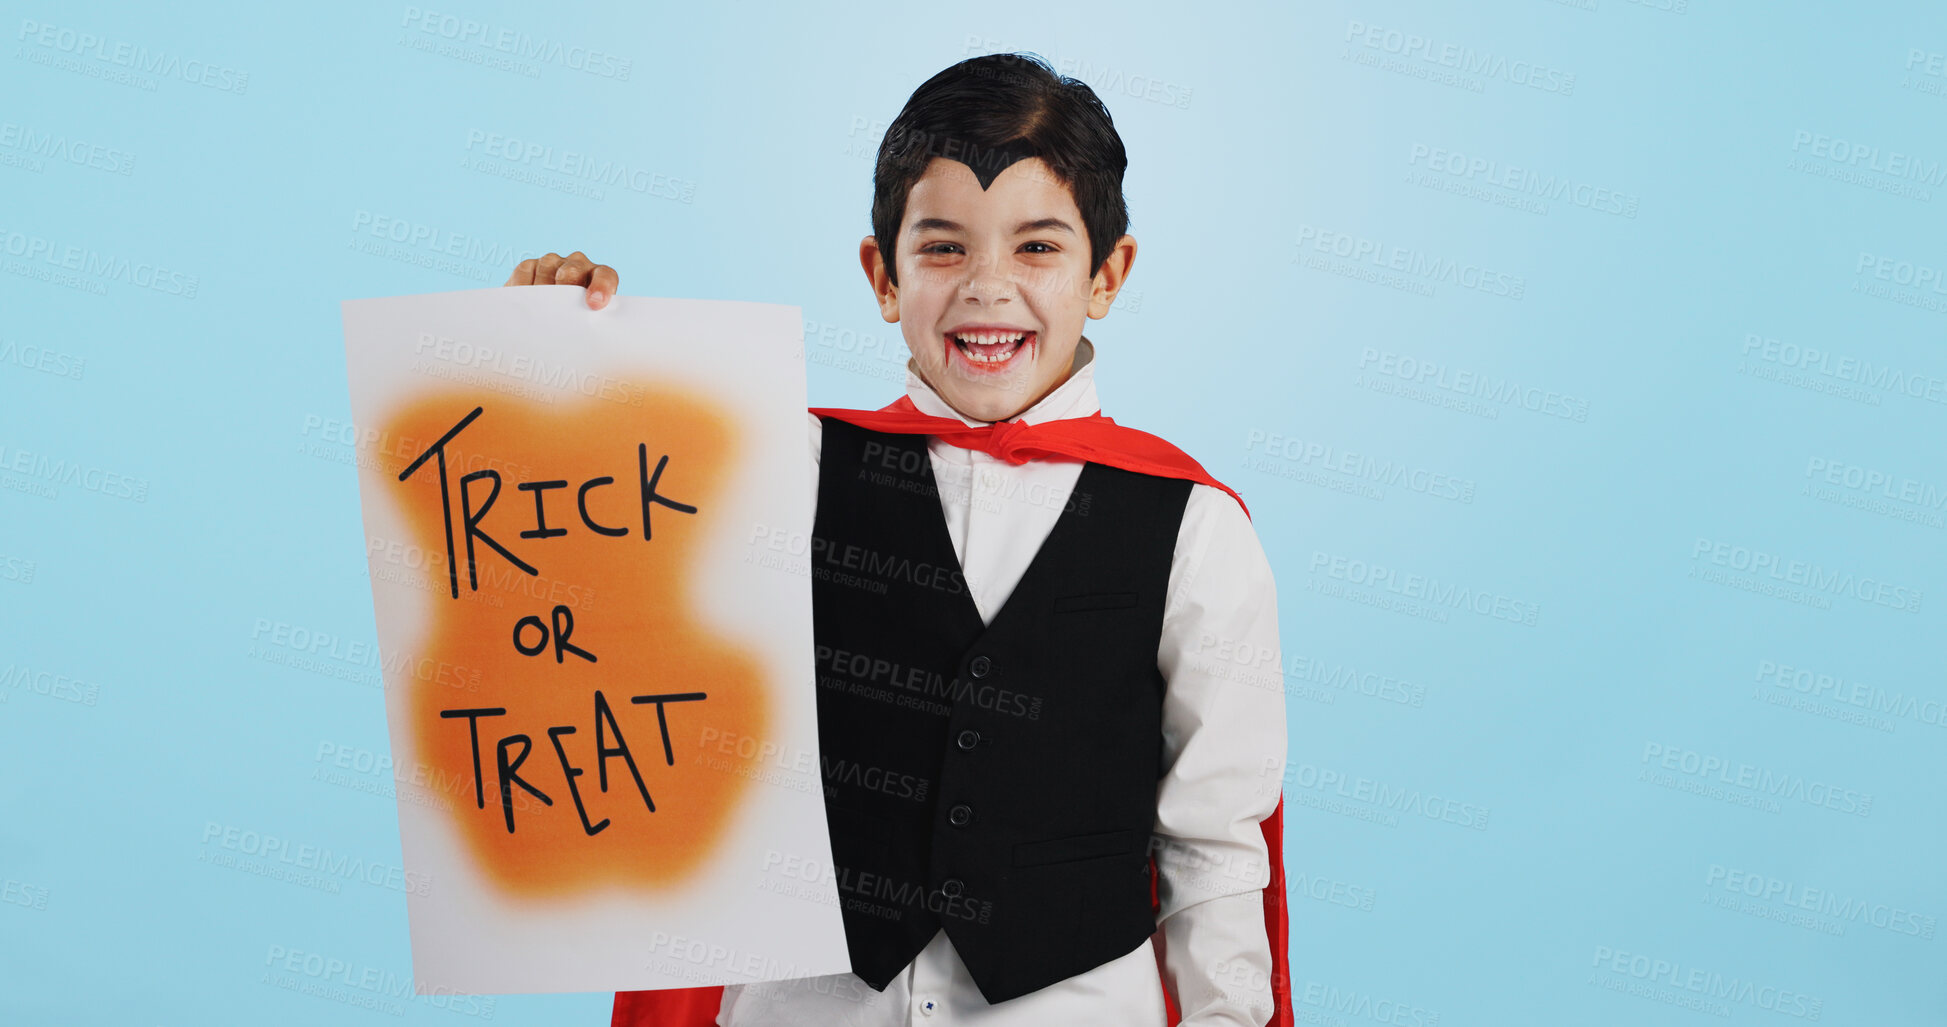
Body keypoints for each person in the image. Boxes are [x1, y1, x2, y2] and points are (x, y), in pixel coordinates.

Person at [505, 52, 1289, 1027]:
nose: (988, 288)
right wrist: (545, 365)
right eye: (944, 248)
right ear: (883, 275)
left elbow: (1214, 843)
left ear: (1108, 273)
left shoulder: (1193, 525)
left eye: (1038, 247)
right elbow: (599, 605)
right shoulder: (777, 470)